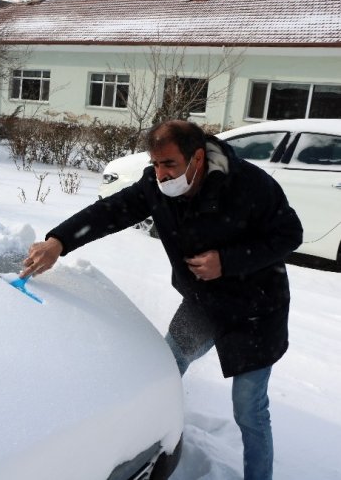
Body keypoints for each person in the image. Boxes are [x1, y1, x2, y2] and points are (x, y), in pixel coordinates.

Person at [20, 120, 303, 480]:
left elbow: (290, 234)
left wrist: (227, 261)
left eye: (169, 164)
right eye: (155, 164)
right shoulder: (155, 185)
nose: (161, 173)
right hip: (204, 303)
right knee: (164, 368)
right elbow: (110, 212)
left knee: (248, 408)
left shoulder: (248, 183)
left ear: (197, 157)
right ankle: (145, 444)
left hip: (257, 310)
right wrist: (59, 241)